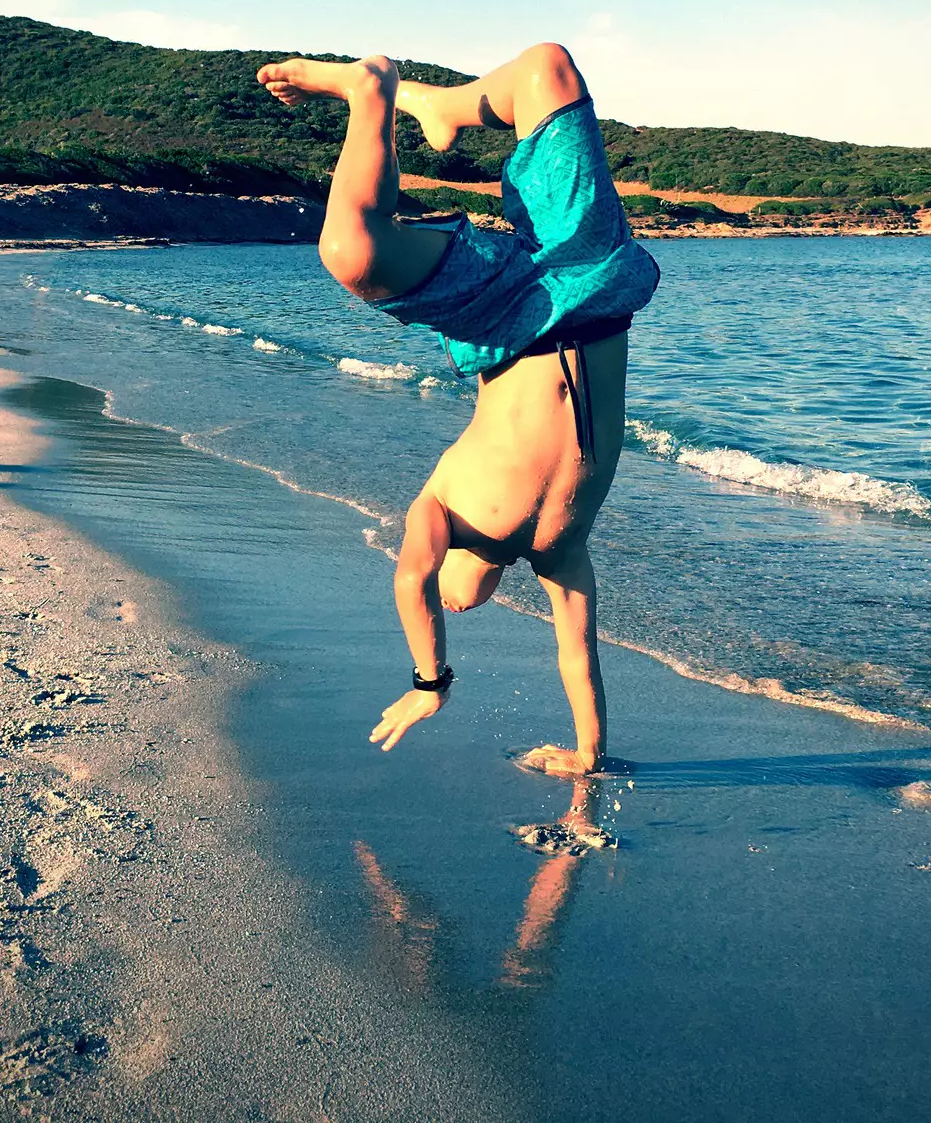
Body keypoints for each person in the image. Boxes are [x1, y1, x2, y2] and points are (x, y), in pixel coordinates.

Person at [255, 43, 659, 777]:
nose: (462, 604)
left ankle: (371, 93)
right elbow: (577, 649)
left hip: (500, 318)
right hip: (592, 281)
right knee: (549, 68)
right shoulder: (559, 554)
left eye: (451, 607)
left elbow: (411, 584)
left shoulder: (441, 510)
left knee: (351, 252)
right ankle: (442, 106)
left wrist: (430, 683)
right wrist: (588, 753)